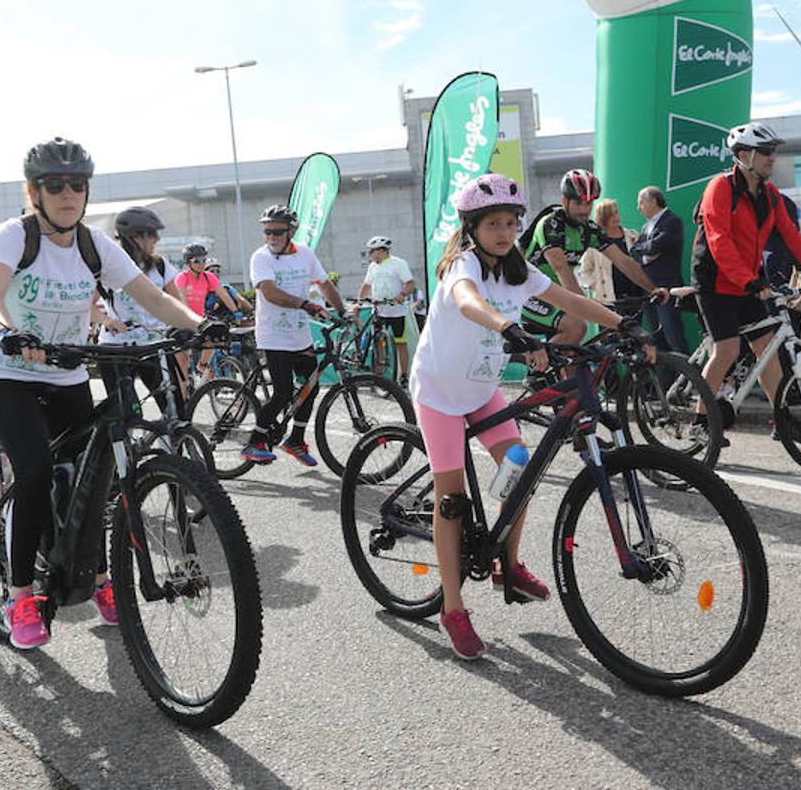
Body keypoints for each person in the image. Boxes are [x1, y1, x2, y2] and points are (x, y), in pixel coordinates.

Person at [0, 137, 217, 651]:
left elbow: (149, 296)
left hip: (64, 370)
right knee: (36, 472)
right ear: (33, 192)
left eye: (76, 185)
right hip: (4, 367)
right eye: (54, 185)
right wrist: (6, 331)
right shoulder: (16, 236)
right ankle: (20, 595)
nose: (67, 194)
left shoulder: (93, 244)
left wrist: (202, 325)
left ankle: (102, 580)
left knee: (96, 475)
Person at [411, 173, 652, 660]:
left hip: (480, 389)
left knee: (518, 465)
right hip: (438, 391)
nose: (504, 231)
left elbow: (571, 301)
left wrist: (624, 323)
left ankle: (508, 562)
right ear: (472, 227)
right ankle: (453, 608)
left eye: (511, 222)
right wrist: (507, 326)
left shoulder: (517, 270)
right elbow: (465, 300)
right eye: (494, 223)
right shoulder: (464, 265)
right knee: (452, 498)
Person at [690, 122, 801, 444]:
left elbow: (792, 237)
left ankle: (781, 420)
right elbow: (718, 240)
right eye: (766, 152)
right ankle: (700, 421)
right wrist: (749, 281)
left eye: (773, 152)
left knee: (766, 348)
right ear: (743, 155)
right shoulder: (721, 188)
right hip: (715, 280)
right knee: (726, 349)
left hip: (748, 281)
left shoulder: (769, 195)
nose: (772, 158)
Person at [240, 205, 344, 466]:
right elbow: (270, 293)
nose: (271, 237)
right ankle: (254, 442)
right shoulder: (260, 257)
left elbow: (323, 283)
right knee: (283, 392)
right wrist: (306, 305)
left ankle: (295, 441)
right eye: (267, 231)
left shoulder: (305, 254)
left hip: (300, 335)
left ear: (291, 231)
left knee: (311, 387)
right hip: (273, 335)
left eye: (277, 231)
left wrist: (342, 311)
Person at [522, 168, 668, 346]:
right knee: (576, 327)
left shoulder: (589, 229)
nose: (584, 210)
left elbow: (623, 261)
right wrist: (587, 306)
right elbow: (561, 268)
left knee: (573, 361)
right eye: (578, 203)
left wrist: (652, 288)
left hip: (556, 294)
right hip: (528, 291)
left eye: (588, 203)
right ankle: (537, 369)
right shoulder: (551, 224)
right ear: (564, 201)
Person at [96, 206, 189, 415]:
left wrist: (188, 327)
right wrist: (106, 320)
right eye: (153, 234)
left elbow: (177, 303)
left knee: (175, 409)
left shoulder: (160, 265)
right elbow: (84, 305)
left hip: (154, 346)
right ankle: (125, 447)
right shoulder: (109, 267)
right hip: (116, 350)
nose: (157, 239)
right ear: (136, 237)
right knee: (127, 413)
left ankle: (175, 446)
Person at [630, 185, 690, 356]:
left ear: (653, 201)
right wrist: (645, 257)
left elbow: (656, 245)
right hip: (649, 290)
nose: (638, 207)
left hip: (668, 289)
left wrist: (643, 249)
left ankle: (688, 379)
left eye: (641, 202)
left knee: (674, 336)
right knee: (657, 341)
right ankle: (666, 383)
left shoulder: (672, 221)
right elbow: (635, 251)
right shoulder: (645, 227)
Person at [175, 243, 249, 380]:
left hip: (200, 318)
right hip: (183, 318)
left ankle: (202, 364)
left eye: (203, 260)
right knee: (183, 359)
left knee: (214, 336)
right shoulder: (182, 277)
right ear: (188, 262)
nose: (201, 263)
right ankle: (185, 383)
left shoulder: (208, 277)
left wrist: (236, 312)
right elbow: (182, 299)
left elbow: (224, 295)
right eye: (197, 260)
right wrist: (189, 317)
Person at [357, 236, 416, 380]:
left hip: (396, 312)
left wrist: (402, 294)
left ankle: (403, 375)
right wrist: (358, 302)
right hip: (379, 310)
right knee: (378, 343)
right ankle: (380, 375)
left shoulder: (399, 263)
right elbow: (366, 285)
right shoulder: (373, 266)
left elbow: (410, 283)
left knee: (401, 344)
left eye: (371, 252)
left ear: (381, 251)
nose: (370, 255)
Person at [576, 198, 639, 303]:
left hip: (636, 295)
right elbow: (584, 272)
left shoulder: (633, 235)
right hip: (610, 299)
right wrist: (598, 285)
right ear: (602, 218)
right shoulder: (594, 243)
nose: (615, 217)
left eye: (616, 212)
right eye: (610, 214)